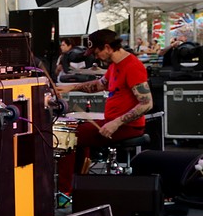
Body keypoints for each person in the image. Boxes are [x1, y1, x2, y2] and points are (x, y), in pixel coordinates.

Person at [56, 30, 152, 193]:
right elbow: (99, 85)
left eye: (96, 52)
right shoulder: (115, 65)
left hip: (127, 126)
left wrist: (116, 123)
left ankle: (65, 191)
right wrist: (70, 88)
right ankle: (78, 187)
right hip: (114, 122)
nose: (95, 57)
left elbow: (147, 103)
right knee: (77, 133)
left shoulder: (132, 66)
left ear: (107, 47)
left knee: (66, 136)